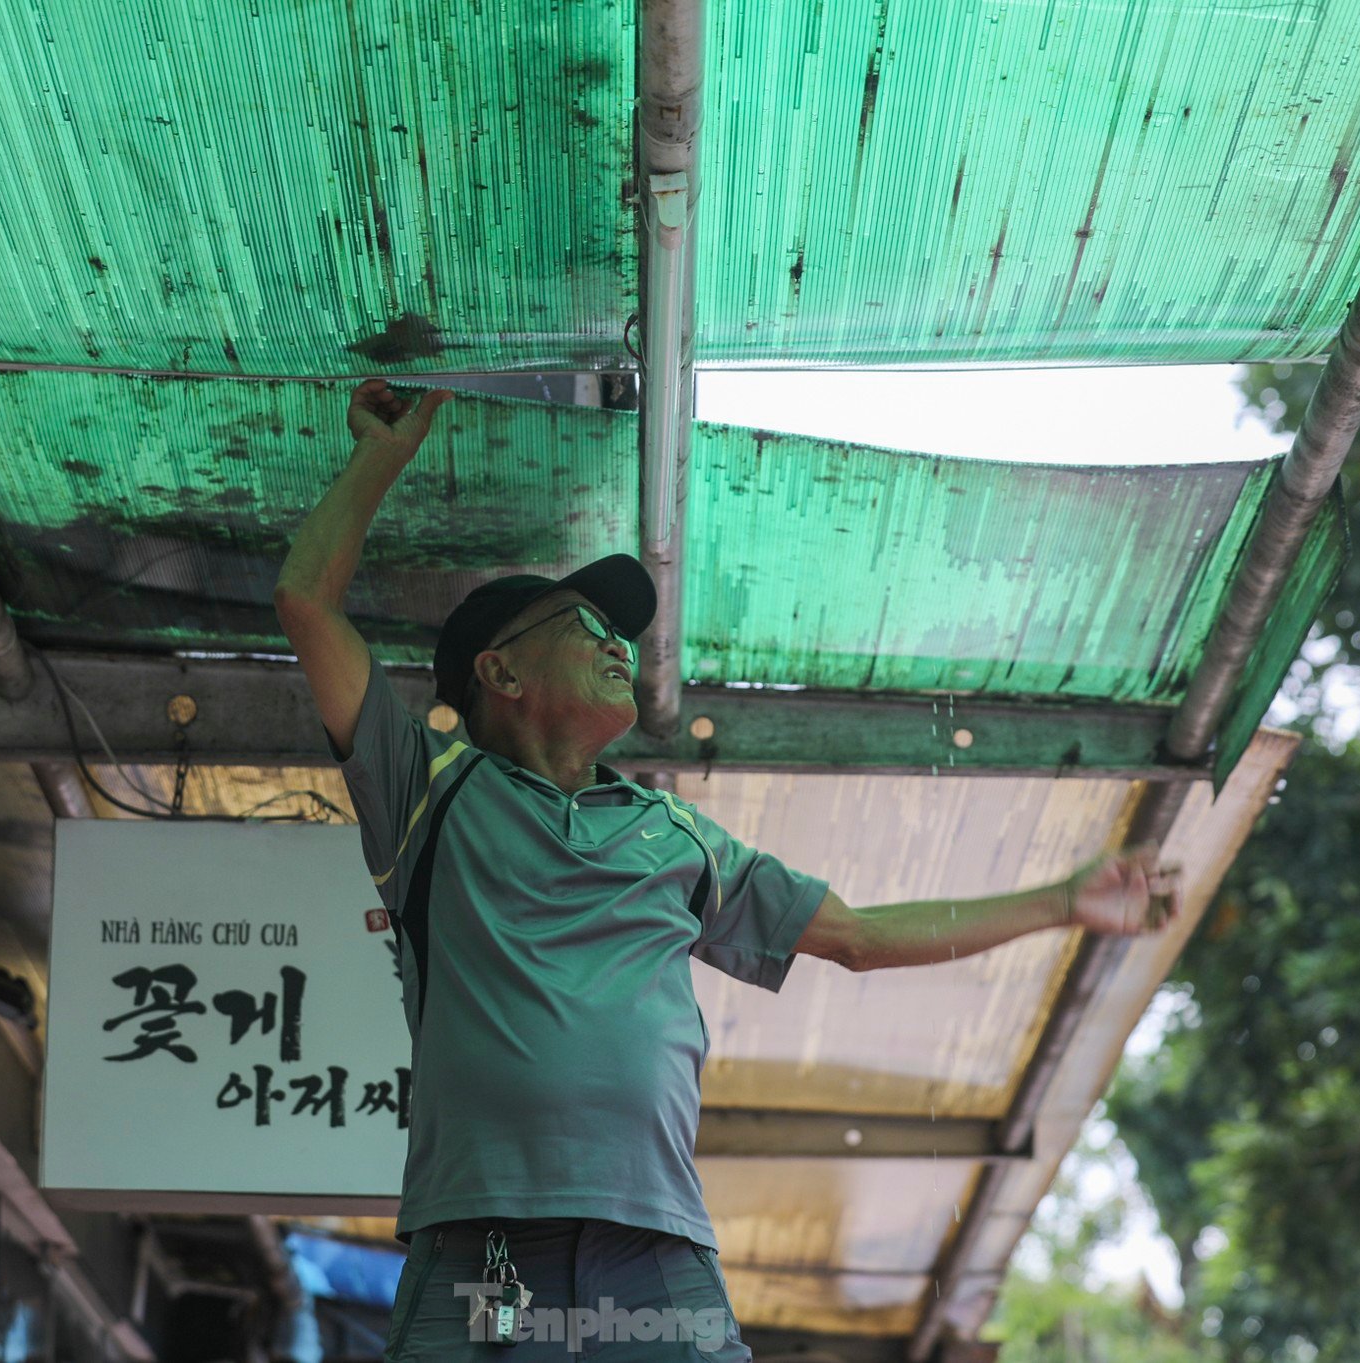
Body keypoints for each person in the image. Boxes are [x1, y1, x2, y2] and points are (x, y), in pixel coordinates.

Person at [273, 379, 1183, 1360]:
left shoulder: (677, 836)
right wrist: (381, 458)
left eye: (620, 631)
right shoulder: (429, 788)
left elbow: (862, 937)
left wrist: (1059, 900)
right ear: (499, 673)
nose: (619, 643)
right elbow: (307, 601)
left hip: (654, 1252)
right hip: (483, 1246)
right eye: (584, 625)